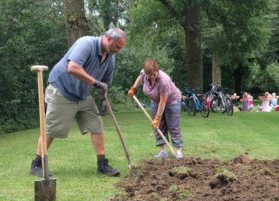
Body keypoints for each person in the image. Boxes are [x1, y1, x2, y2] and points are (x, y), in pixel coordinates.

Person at [29, 28, 127, 178]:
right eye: (117, 47)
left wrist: (103, 99)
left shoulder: (110, 58)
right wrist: (96, 83)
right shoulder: (86, 43)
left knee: (96, 126)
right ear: (107, 39)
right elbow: (73, 68)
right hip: (62, 91)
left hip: (83, 95)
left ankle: (102, 165)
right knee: (52, 129)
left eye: (121, 48)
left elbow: (105, 83)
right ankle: (37, 163)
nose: (119, 51)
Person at [128, 59, 184, 159]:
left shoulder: (164, 81)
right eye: (149, 75)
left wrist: (157, 118)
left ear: (157, 70)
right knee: (159, 127)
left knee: (173, 126)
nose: (152, 76)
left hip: (172, 101)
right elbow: (140, 77)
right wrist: (134, 88)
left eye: (154, 74)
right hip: (155, 101)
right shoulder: (144, 74)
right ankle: (163, 152)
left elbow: (163, 102)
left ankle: (178, 151)